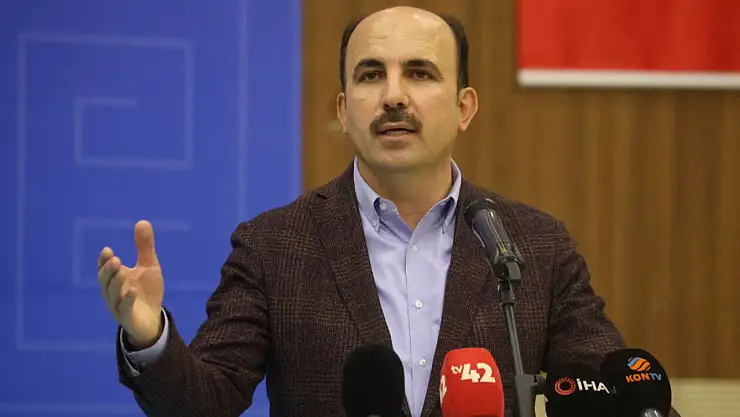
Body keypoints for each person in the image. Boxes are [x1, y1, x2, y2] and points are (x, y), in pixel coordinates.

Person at [97, 6, 679, 417]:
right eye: (371, 74)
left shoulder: (534, 245)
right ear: (344, 109)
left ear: (464, 107)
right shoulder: (274, 246)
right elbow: (208, 401)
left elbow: (614, 390)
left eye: (419, 73)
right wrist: (151, 339)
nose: (394, 95)